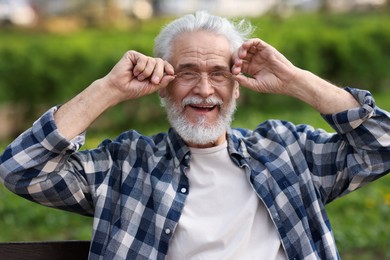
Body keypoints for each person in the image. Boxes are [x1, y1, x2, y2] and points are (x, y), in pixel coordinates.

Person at [1, 11, 389, 260]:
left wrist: (297, 81)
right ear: (164, 85)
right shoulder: (126, 165)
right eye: (187, 73)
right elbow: (22, 169)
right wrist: (108, 89)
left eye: (218, 74)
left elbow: (382, 146)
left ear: (237, 86)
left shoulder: (288, 151)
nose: (204, 90)